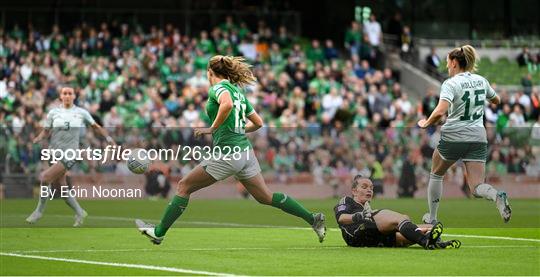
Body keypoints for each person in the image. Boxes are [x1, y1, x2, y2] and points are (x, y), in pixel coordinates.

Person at [136, 55, 326, 245]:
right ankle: (313, 218)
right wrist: (236, 130)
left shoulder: (218, 88)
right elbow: (258, 123)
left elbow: (226, 105)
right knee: (265, 197)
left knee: (184, 186)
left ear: (210, 72)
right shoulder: (238, 92)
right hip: (245, 153)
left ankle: (159, 232)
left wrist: (212, 128)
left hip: (229, 153)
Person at [417, 45, 512, 224]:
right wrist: (488, 98)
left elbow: (440, 112)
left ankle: (432, 218)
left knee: (436, 174)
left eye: (447, 63)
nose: (447, 66)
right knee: (476, 187)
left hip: (455, 134)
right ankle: (496, 196)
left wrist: (426, 122)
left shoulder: (450, 83)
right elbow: (497, 100)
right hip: (478, 136)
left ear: (454, 62)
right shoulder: (481, 81)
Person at [26, 86, 115, 227]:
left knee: (45, 177)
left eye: (70, 93)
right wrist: (38, 138)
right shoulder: (53, 113)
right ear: (61, 96)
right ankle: (80, 212)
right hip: (54, 152)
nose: (67, 96)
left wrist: (109, 139)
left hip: (70, 153)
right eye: (64, 93)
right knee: (62, 188)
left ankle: (39, 212)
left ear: (74, 96)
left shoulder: (81, 112)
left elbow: (96, 127)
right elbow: (46, 131)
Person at [334, 175, 460, 249]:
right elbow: (341, 218)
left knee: (417, 231)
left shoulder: (367, 208)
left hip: (371, 238)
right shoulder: (347, 200)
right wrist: (359, 216)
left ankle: (432, 239)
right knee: (401, 219)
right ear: (354, 191)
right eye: (364, 187)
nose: (369, 190)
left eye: (371, 188)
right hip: (357, 233)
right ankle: (426, 241)